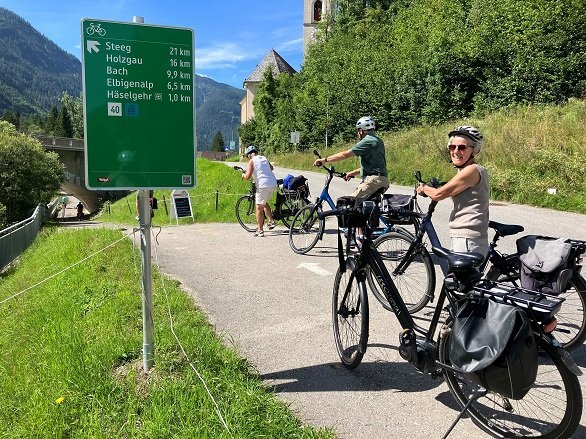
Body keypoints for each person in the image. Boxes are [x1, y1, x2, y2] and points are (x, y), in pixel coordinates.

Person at [416, 125, 490, 257]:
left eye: (462, 147)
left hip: (467, 240)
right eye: (452, 147)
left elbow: (438, 195)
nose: (455, 151)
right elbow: (452, 188)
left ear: (475, 150)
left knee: (457, 278)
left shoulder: (471, 170)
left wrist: (423, 187)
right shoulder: (473, 170)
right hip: (469, 238)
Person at [313, 116, 389, 199]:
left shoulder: (367, 141)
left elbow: (345, 155)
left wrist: (324, 160)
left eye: (358, 131)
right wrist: (351, 173)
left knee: (348, 204)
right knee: (363, 209)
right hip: (383, 180)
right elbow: (373, 167)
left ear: (360, 131)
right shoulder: (378, 141)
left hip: (373, 181)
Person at [241, 145, 278, 237]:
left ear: (249, 155)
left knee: (258, 208)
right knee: (263, 202)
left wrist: (243, 175)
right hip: (273, 183)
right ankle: (271, 221)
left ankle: (260, 230)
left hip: (263, 185)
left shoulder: (251, 161)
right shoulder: (264, 158)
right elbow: (271, 168)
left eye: (247, 156)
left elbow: (248, 176)